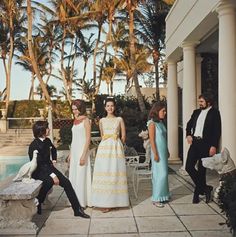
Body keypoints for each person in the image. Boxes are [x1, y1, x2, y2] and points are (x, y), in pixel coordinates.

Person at [28, 120, 90, 218]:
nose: (49, 129)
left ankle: (77, 210)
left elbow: (53, 150)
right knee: (49, 181)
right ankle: (39, 201)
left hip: (49, 167)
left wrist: (54, 160)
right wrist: (53, 176)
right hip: (39, 171)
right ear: (41, 130)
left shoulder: (47, 140)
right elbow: (39, 164)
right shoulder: (33, 145)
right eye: (47, 128)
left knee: (67, 183)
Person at [91, 97, 129, 212]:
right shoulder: (101, 120)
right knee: (105, 173)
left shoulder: (119, 119)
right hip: (104, 150)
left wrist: (118, 145)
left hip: (116, 149)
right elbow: (102, 135)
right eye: (108, 106)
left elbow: (123, 136)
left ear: (115, 107)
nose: (110, 108)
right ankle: (105, 202)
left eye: (112, 106)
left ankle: (115, 201)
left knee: (115, 173)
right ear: (105, 107)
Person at [185, 93, 221, 204]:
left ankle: (197, 193)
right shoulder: (196, 112)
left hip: (206, 144)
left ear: (208, 102)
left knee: (202, 170)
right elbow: (189, 125)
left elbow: (217, 130)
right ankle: (205, 188)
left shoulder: (215, 113)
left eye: (201, 101)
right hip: (195, 142)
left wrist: (214, 145)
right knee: (189, 167)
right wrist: (188, 134)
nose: (199, 103)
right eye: (199, 101)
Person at [68, 99, 92, 208]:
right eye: (73, 110)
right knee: (74, 175)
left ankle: (82, 202)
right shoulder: (75, 120)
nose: (74, 112)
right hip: (75, 151)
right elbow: (74, 139)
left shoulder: (86, 120)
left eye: (76, 109)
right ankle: (75, 200)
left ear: (81, 108)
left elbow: (88, 139)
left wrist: (83, 155)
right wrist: (70, 153)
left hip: (83, 151)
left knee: (82, 175)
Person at [147, 102, 170, 208]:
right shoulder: (152, 124)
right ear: (157, 111)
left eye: (165, 111)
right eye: (163, 111)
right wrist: (155, 154)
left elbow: (164, 139)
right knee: (160, 174)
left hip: (163, 151)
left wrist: (167, 150)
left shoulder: (161, 123)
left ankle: (163, 195)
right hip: (157, 152)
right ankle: (156, 198)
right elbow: (152, 140)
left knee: (164, 174)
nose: (165, 113)